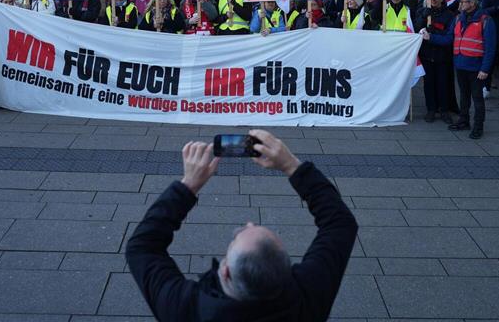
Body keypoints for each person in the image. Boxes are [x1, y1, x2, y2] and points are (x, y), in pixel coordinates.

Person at [126, 130, 358, 321]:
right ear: (287, 271)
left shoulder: (186, 308)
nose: (248, 223)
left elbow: (142, 246)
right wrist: (291, 165)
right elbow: (340, 224)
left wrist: (188, 184)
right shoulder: (305, 299)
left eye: (239, 235)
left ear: (225, 271)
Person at [427, 0, 496, 139]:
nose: (461, 4)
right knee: (464, 96)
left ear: (472, 3)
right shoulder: (458, 19)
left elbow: (490, 49)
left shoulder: (485, 20)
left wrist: (485, 69)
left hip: (477, 68)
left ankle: (478, 126)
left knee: (477, 98)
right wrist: (430, 37)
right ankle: (464, 120)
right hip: (460, 65)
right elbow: (448, 39)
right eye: (461, 1)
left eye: (464, 1)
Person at [415, 0, 455, 123]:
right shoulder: (422, 11)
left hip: (443, 56)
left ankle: (444, 110)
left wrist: (432, 35)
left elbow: (449, 36)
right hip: (427, 55)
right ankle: (431, 109)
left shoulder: (449, 15)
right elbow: (416, 27)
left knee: (443, 84)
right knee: (429, 84)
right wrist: (424, 15)